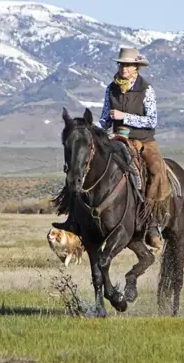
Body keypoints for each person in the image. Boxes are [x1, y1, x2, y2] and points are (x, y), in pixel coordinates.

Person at [53, 47, 171, 249]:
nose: (124, 68)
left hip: (144, 140)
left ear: (136, 68)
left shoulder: (147, 90)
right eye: (121, 64)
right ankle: (74, 217)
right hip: (117, 138)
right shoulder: (111, 88)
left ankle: (152, 223)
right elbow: (106, 119)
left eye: (128, 65)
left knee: (156, 170)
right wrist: (91, 130)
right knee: (82, 166)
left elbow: (152, 120)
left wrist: (125, 117)